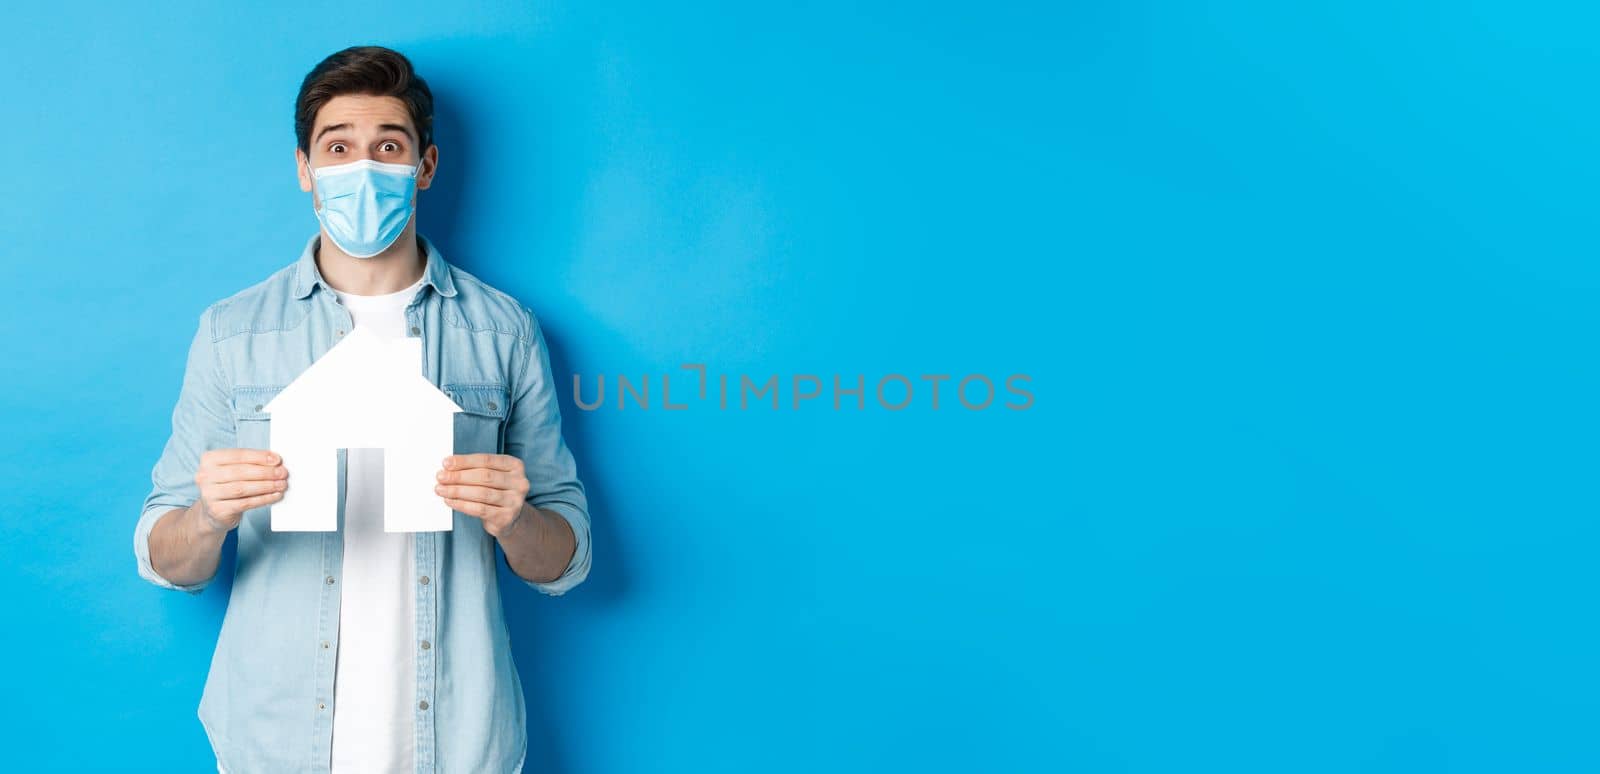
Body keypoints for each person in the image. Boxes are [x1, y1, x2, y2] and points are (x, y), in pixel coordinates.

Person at [133, 46, 591, 773]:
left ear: (425, 167)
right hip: (273, 738)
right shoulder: (231, 331)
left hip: (456, 739)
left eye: (388, 146)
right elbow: (165, 557)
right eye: (338, 147)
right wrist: (207, 516)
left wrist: (517, 518)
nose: (363, 167)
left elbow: (565, 560)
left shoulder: (504, 331)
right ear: (305, 170)